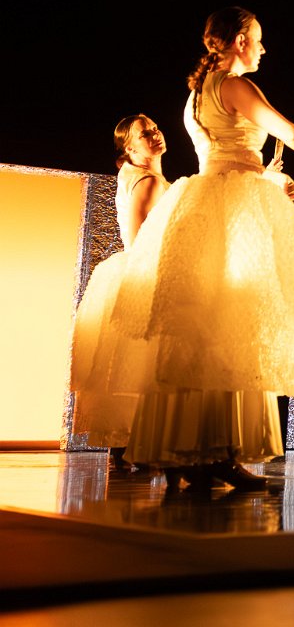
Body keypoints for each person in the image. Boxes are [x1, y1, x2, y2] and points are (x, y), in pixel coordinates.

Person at [113, 6, 294, 493]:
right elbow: (287, 131)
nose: (263, 48)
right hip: (233, 211)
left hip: (206, 202)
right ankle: (216, 450)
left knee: (204, 329)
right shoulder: (233, 85)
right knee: (235, 325)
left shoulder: (194, 96)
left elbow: (228, 156)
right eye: (258, 38)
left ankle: (192, 449)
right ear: (239, 40)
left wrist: (276, 182)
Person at [70, 114, 171, 473]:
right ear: (129, 147)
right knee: (142, 363)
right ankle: (135, 445)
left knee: (135, 363)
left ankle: (131, 446)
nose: (155, 135)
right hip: (146, 271)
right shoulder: (147, 181)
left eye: (155, 129)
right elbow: (139, 240)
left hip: (138, 270)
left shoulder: (140, 176)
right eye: (145, 134)